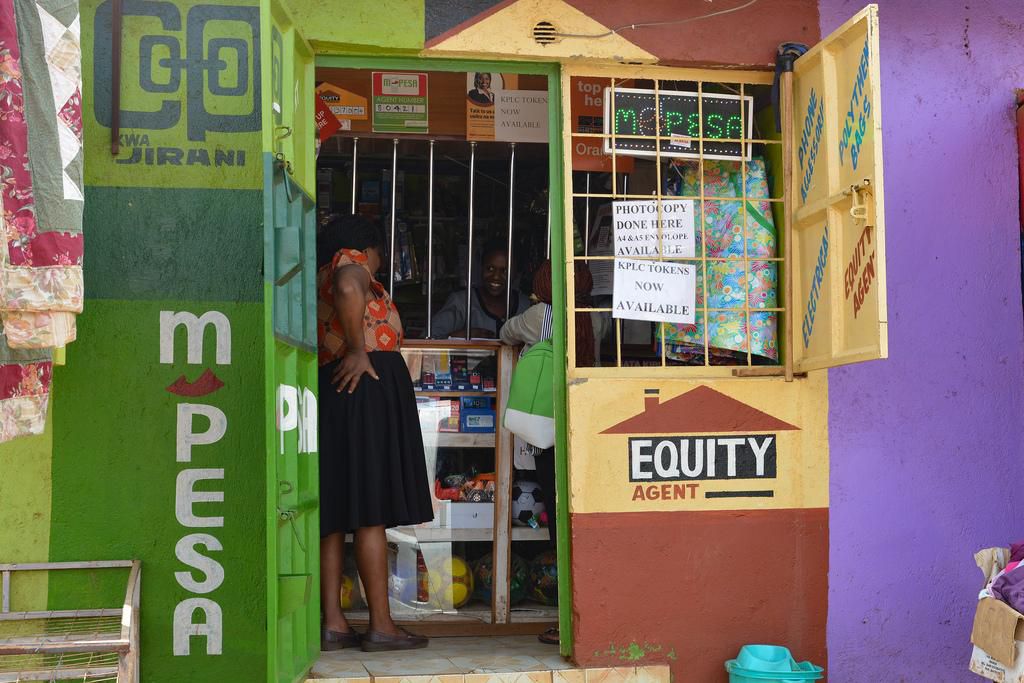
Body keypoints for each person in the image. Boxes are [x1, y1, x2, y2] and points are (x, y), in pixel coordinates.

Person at [316, 214, 433, 652]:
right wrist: (360, 349)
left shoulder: (319, 273)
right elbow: (350, 285)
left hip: (338, 391)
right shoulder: (351, 263)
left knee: (335, 513)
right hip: (365, 390)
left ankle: (334, 623)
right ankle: (381, 624)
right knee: (370, 511)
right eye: (379, 256)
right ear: (368, 250)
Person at [499, 260, 593, 646]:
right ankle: (586, 614)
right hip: (583, 428)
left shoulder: (542, 315)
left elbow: (506, 332)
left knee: (559, 528)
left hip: (548, 429)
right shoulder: (593, 316)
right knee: (581, 522)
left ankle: (568, 621)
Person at [430, 242, 530, 339]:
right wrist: (462, 336)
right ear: (481, 268)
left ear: (517, 273)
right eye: (490, 269)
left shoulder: (526, 306)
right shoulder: (462, 302)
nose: (496, 277)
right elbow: (427, 340)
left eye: (505, 271)